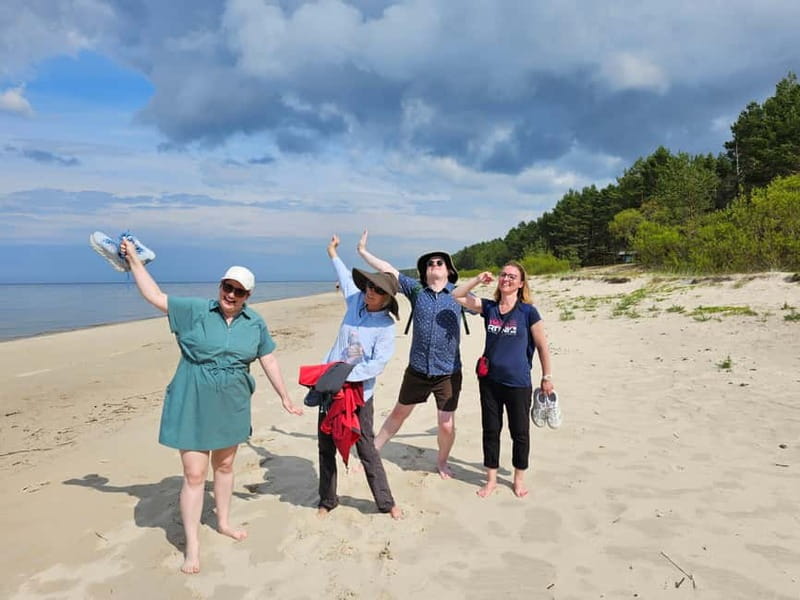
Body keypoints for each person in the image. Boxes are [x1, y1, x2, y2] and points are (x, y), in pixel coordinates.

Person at [119, 239, 303, 574]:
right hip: (193, 398)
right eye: (227, 287)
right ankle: (192, 546)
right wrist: (133, 259)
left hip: (232, 402)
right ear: (220, 286)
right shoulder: (196, 311)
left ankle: (224, 522)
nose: (231, 294)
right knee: (194, 474)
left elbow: (269, 358)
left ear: (248, 295)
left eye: (239, 291)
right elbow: (155, 296)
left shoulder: (255, 322)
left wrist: (285, 397)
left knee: (225, 466)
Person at [357, 230, 471, 479]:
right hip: (417, 369)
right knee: (399, 413)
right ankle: (372, 453)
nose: (434, 265)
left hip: (448, 373)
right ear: (425, 271)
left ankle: (442, 461)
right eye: (430, 263)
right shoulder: (416, 290)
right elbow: (389, 269)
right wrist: (363, 252)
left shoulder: (458, 294)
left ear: (449, 270)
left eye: (439, 262)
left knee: (446, 424)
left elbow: (488, 308)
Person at [314, 235, 402, 519]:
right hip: (330, 387)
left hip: (359, 393)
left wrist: (346, 376)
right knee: (326, 444)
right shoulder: (355, 301)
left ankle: (386, 503)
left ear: (387, 298)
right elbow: (343, 274)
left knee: (366, 448)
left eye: (378, 290)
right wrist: (332, 252)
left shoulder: (386, 327)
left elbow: (377, 365)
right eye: (369, 286)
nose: (370, 292)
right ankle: (327, 500)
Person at [452, 261, 554, 498]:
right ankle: (491, 480)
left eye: (512, 276)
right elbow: (456, 295)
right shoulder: (489, 308)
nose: (506, 279)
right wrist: (478, 279)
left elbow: (542, 346)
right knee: (491, 430)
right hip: (489, 381)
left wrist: (547, 376)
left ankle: (518, 479)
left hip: (518, 383)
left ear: (520, 283)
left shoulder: (528, 312)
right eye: (503, 275)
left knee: (519, 433)